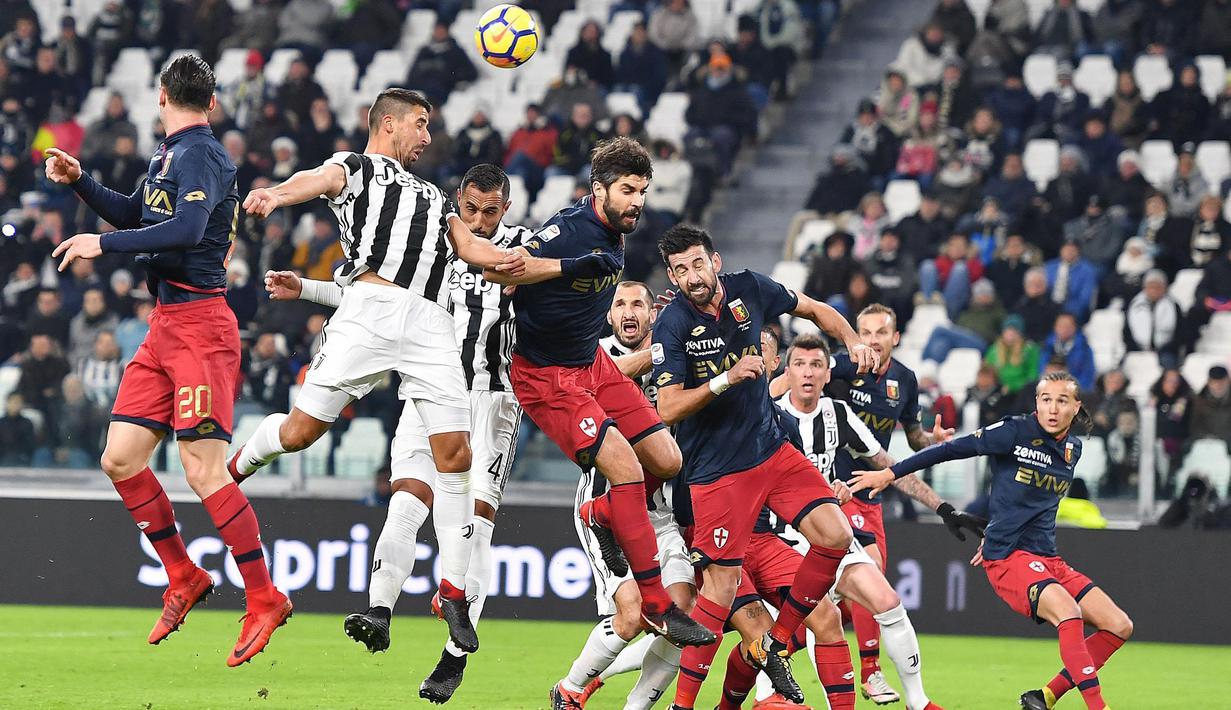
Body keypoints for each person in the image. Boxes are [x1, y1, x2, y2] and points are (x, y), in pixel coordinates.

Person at [230, 89, 526, 657]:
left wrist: (521, 264)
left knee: (456, 456)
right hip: (368, 311)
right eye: (420, 124)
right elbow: (313, 180)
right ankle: (239, 464)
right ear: (388, 124)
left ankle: (456, 591)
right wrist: (273, 194)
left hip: (430, 324)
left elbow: (468, 246)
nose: (427, 136)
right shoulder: (357, 167)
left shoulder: (438, 197)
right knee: (298, 433)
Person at [43, 55, 291, 666]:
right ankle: (184, 575)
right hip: (164, 327)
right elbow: (138, 215)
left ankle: (264, 596)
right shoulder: (169, 155)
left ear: (161, 95)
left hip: (202, 326)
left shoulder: (202, 153)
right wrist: (81, 181)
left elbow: (182, 231)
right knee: (120, 459)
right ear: (211, 101)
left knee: (203, 471)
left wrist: (101, 244)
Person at [265, 163, 533, 702]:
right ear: (459, 200)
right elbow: (372, 296)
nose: (479, 220)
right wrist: (307, 290)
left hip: (490, 400)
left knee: (474, 528)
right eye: (472, 208)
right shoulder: (432, 231)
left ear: (505, 209)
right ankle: (379, 610)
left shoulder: (521, 250)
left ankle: (454, 656)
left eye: (490, 210)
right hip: (424, 392)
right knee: (405, 505)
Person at [483, 139, 716, 692]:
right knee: (627, 468)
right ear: (599, 190)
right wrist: (536, 268)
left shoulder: (612, 234)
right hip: (546, 378)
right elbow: (502, 273)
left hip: (592, 363)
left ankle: (606, 513)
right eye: (628, 191)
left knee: (667, 456)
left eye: (643, 191)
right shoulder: (569, 230)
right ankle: (658, 600)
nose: (637, 202)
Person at [649, 224, 879, 707]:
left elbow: (815, 309)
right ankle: (682, 705)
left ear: (715, 260)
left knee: (836, 536)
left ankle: (776, 641)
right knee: (719, 591)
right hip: (716, 473)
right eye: (680, 269)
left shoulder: (750, 287)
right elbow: (666, 408)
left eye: (697, 263)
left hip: (772, 453)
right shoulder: (671, 324)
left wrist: (853, 338)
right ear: (672, 276)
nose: (692, 276)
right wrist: (725, 380)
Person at [851, 371, 1135, 710]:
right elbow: (950, 450)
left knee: (1119, 625)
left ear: (1076, 407)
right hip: (1009, 558)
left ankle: (1044, 697)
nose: (1053, 408)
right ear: (1037, 403)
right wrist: (890, 472)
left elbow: (1033, 505)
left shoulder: (1073, 449)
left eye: (1061, 401)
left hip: (1050, 559)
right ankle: (1097, 706)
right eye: (1046, 399)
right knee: (1069, 613)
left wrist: (1002, 525)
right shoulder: (1014, 431)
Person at [770, 332, 968, 710]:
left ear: (828, 373)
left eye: (816, 365)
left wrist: (940, 506)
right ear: (788, 372)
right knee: (817, 620)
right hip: (783, 540)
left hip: (829, 534)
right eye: (799, 364)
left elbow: (890, 467)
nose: (808, 373)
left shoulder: (839, 414)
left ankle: (918, 701)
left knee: (889, 602)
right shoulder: (771, 416)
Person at [555, 280, 699, 710]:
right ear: (609, 315)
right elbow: (612, 382)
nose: (628, 311)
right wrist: (664, 348)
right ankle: (570, 688)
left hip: (662, 515)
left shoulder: (673, 359)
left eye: (638, 303)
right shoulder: (593, 354)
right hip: (607, 509)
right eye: (619, 304)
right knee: (632, 615)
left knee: (681, 615)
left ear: (652, 313)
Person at [1124, 269, 1182, 367]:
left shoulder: (1173, 306)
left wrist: (1167, 347)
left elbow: (1180, 332)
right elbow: (1126, 330)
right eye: (1151, 287)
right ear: (1145, 288)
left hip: (1166, 350)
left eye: (1158, 287)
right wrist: (1135, 347)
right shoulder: (1134, 305)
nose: (1154, 290)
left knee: (1168, 364)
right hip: (1137, 348)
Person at [984, 314, 1041, 395]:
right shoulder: (994, 350)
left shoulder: (1029, 350)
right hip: (997, 390)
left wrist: (1013, 386)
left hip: (1021, 391)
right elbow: (987, 371)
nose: (1010, 335)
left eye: (1014, 332)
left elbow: (1032, 376)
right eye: (1007, 331)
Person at [1190, 366, 1231, 445]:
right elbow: (1194, 425)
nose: (1218, 386)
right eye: (1215, 382)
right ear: (1209, 382)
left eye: (1222, 382)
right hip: (1205, 443)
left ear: (1228, 381)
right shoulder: (1199, 400)